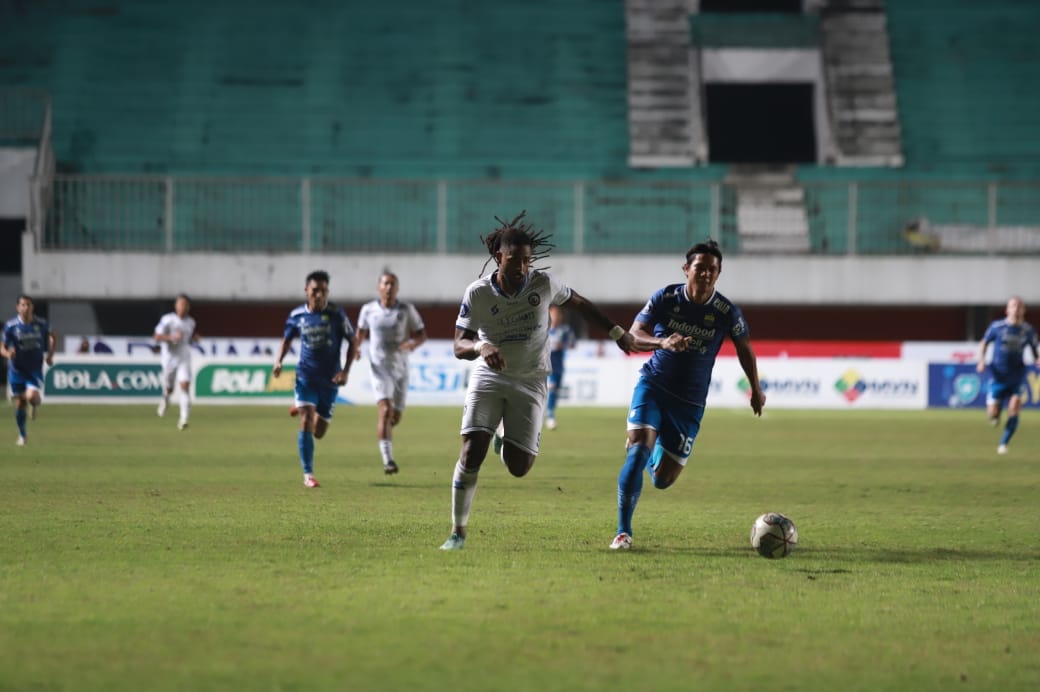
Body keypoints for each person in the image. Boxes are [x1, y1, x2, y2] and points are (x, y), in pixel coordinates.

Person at [439, 211, 636, 551]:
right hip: (489, 376)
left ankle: (506, 439)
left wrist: (617, 331)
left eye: (527, 261)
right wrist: (480, 346)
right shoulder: (478, 293)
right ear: (499, 257)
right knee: (472, 451)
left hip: (530, 381)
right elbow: (459, 345)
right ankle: (457, 532)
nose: (521, 267)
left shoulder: (543, 285)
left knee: (519, 467)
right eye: (514, 259)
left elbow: (581, 304)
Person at [610, 239, 765, 551]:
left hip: (689, 403)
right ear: (686, 269)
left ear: (718, 274)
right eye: (700, 268)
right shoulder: (665, 298)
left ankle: (651, 446)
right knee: (638, 449)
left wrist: (756, 388)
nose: (705, 274)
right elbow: (633, 336)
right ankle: (623, 532)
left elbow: (744, 348)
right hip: (653, 385)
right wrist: (663, 343)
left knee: (663, 480)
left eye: (712, 270)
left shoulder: (725, 311)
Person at [273, 270, 357, 488]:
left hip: (330, 381)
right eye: (315, 290)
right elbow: (287, 340)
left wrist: (346, 371)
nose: (319, 295)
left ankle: (300, 406)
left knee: (318, 432)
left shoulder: (337, 314)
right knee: (306, 421)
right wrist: (279, 361)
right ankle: (308, 475)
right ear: (306, 291)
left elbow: (353, 341)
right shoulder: (296, 316)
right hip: (305, 377)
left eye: (323, 290)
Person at [355, 271, 427, 475]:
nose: (388, 287)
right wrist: (357, 347)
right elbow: (359, 332)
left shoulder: (406, 310)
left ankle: (384, 431)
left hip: (401, 368)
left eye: (392, 284)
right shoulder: (368, 310)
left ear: (397, 288)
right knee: (385, 411)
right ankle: (388, 461)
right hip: (379, 367)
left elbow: (422, 334)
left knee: (395, 416)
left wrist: (412, 343)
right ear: (379, 287)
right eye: (385, 283)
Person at [976, 296, 1038, 455]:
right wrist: (982, 360)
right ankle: (995, 416)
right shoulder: (997, 327)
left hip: (1017, 376)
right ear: (1007, 310)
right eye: (1013, 306)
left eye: (1019, 306)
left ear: (1023, 310)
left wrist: (1037, 359)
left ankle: (1003, 443)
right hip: (998, 376)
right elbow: (984, 343)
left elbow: (1034, 349)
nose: (1016, 309)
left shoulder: (1028, 330)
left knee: (1014, 407)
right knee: (993, 414)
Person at [2, 295, 57, 446]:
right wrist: (7, 354)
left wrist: (50, 355)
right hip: (16, 370)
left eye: (28, 305)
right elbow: (2, 347)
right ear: (17, 307)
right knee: (20, 403)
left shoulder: (41, 323)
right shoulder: (11, 326)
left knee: (31, 396)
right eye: (23, 305)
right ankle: (22, 435)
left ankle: (34, 404)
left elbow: (53, 335)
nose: (26, 308)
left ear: (32, 307)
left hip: (34, 369)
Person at [153, 294, 199, 430]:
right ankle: (166, 400)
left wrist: (194, 338)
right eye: (181, 304)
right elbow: (156, 337)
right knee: (169, 388)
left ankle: (184, 419)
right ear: (176, 306)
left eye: (185, 305)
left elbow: (188, 339)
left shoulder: (191, 322)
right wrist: (171, 337)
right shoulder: (167, 320)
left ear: (188, 307)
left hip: (183, 357)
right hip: (169, 358)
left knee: (185, 386)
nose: (183, 307)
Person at [544, 303, 576, 430]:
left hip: (558, 367)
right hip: (544, 366)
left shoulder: (565, 330)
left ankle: (549, 413)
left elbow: (573, 344)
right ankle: (549, 415)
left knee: (554, 390)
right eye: (553, 314)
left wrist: (562, 346)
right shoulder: (544, 330)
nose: (555, 317)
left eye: (557, 315)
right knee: (550, 388)